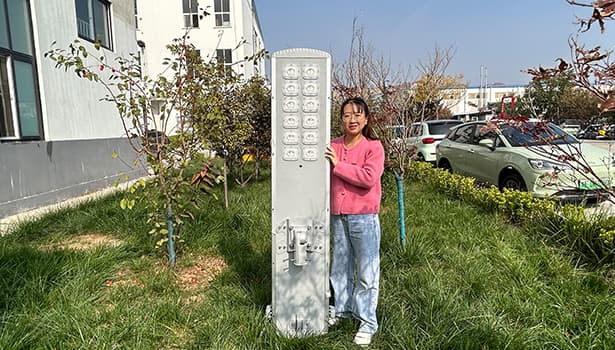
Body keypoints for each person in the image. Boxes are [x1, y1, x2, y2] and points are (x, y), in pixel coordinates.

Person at [325, 97, 385, 346]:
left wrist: (339, 166)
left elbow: (369, 177)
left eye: (358, 114)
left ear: (366, 119)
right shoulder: (332, 145)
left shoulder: (373, 147)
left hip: (364, 217)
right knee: (339, 268)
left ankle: (367, 321)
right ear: (340, 119)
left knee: (367, 272)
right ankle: (342, 310)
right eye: (347, 115)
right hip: (338, 216)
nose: (352, 119)